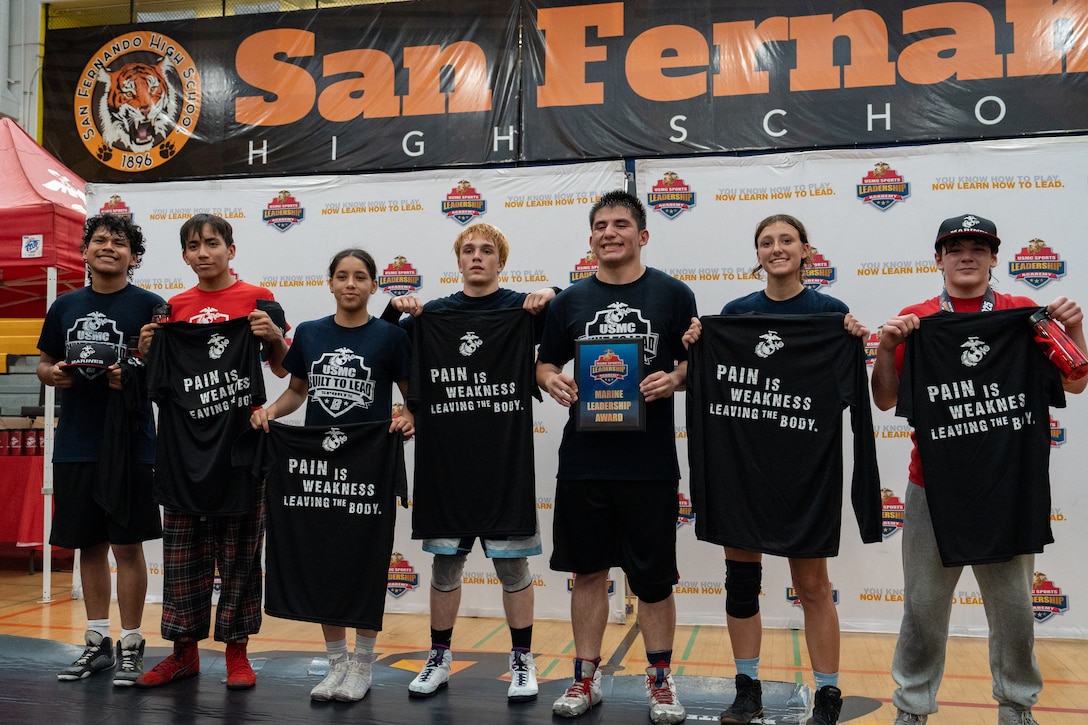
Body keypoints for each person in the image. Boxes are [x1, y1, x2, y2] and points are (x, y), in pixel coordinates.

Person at [871, 213, 1087, 725]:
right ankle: (913, 706)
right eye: (955, 246)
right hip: (932, 486)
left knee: (1013, 609)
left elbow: (1076, 381)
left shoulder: (1025, 316)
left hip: (1008, 486)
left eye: (977, 246)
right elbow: (884, 400)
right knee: (923, 608)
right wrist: (885, 347)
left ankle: (1015, 706)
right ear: (939, 257)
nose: (966, 254)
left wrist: (1074, 327)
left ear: (995, 257)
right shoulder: (918, 319)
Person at [682, 214, 877, 725]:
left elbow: (854, 391)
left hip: (804, 472)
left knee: (812, 586)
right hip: (741, 466)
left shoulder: (831, 313)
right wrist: (699, 342)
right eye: (766, 242)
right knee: (741, 582)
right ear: (758, 254)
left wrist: (854, 338)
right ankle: (747, 688)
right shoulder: (735, 314)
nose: (776, 248)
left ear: (807, 251)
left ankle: (828, 694)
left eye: (786, 240)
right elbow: (706, 379)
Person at [536, 190, 696, 724]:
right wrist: (552, 379)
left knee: (653, 580)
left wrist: (673, 378)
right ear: (591, 239)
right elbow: (543, 364)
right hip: (584, 460)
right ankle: (584, 679)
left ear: (642, 235)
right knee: (587, 572)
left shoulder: (674, 295)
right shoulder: (568, 302)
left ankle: (660, 681)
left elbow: (691, 364)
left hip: (648, 462)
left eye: (621, 224)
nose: (610, 232)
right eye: (601, 225)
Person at [380, 222, 554, 702]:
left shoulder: (521, 310)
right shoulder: (434, 315)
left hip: (504, 463)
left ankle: (522, 661)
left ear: (501, 260)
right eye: (469, 250)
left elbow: (570, 313)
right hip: (447, 464)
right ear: (458, 260)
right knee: (444, 568)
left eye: (487, 251)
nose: (477, 257)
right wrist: (394, 308)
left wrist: (551, 291)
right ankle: (438, 658)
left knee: (514, 569)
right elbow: (383, 344)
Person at [249, 248, 413, 702]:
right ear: (330, 283)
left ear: (374, 285)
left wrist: (408, 417)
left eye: (360, 277)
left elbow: (410, 394)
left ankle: (363, 664)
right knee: (323, 563)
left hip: (367, 466)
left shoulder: (390, 337)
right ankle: (336, 663)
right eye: (342, 276)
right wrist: (270, 411)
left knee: (363, 562)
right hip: (316, 467)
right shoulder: (310, 333)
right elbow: (297, 391)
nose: (350, 284)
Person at [135, 213, 288, 690]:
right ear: (183, 255)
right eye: (193, 246)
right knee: (183, 555)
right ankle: (183, 653)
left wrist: (273, 337)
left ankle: (237, 653)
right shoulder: (170, 309)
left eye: (212, 244)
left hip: (242, 448)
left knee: (241, 554)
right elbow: (153, 379)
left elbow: (283, 372)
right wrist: (145, 351)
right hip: (182, 452)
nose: (203, 253)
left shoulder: (260, 300)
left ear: (231, 250)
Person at [37, 214, 164, 686]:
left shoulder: (153, 307)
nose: (108, 246)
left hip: (130, 443)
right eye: (100, 240)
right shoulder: (64, 305)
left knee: (127, 546)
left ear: (133, 256)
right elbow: (45, 364)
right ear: (85, 251)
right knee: (88, 544)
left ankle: (131, 646)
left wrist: (133, 375)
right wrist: (52, 376)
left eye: (120, 242)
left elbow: (167, 378)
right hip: (76, 441)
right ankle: (96, 645)